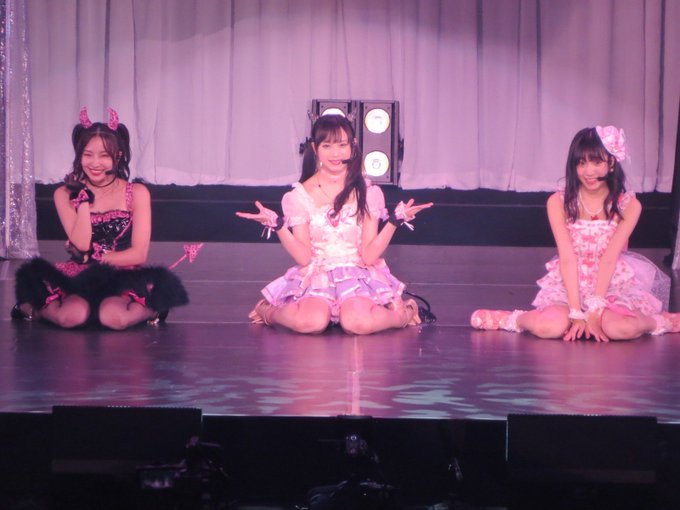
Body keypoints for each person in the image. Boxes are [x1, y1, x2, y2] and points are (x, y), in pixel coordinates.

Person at [470, 125, 679, 342]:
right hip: (569, 283)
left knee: (620, 329)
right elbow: (567, 258)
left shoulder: (628, 205)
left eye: (596, 162)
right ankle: (513, 319)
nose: (589, 171)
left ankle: (659, 321)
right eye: (581, 163)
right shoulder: (558, 202)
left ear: (611, 163)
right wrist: (576, 312)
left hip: (611, 284)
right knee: (549, 327)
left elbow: (609, 258)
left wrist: (595, 310)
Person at [236, 114, 433, 335]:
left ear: (353, 146)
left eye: (342, 145)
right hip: (317, 274)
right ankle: (268, 311)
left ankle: (403, 314)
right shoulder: (299, 196)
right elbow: (303, 258)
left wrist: (395, 222)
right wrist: (278, 226)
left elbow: (369, 256)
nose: (336, 153)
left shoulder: (368, 192)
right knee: (311, 323)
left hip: (357, 274)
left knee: (357, 324)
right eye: (327, 146)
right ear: (315, 148)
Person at [11, 107, 188, 329]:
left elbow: (139, 254)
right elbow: (81, 244)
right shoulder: (63, 194)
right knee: (72, 316)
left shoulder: (137, 193)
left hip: (121, 272)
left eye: (104, 155)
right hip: (79, 274)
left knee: (113, 318)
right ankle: (33, 309)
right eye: (88, 155)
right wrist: (83, 199)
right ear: (79, 155)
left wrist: (95, 259)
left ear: (118, 155)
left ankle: (155, 307)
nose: (95, 163)